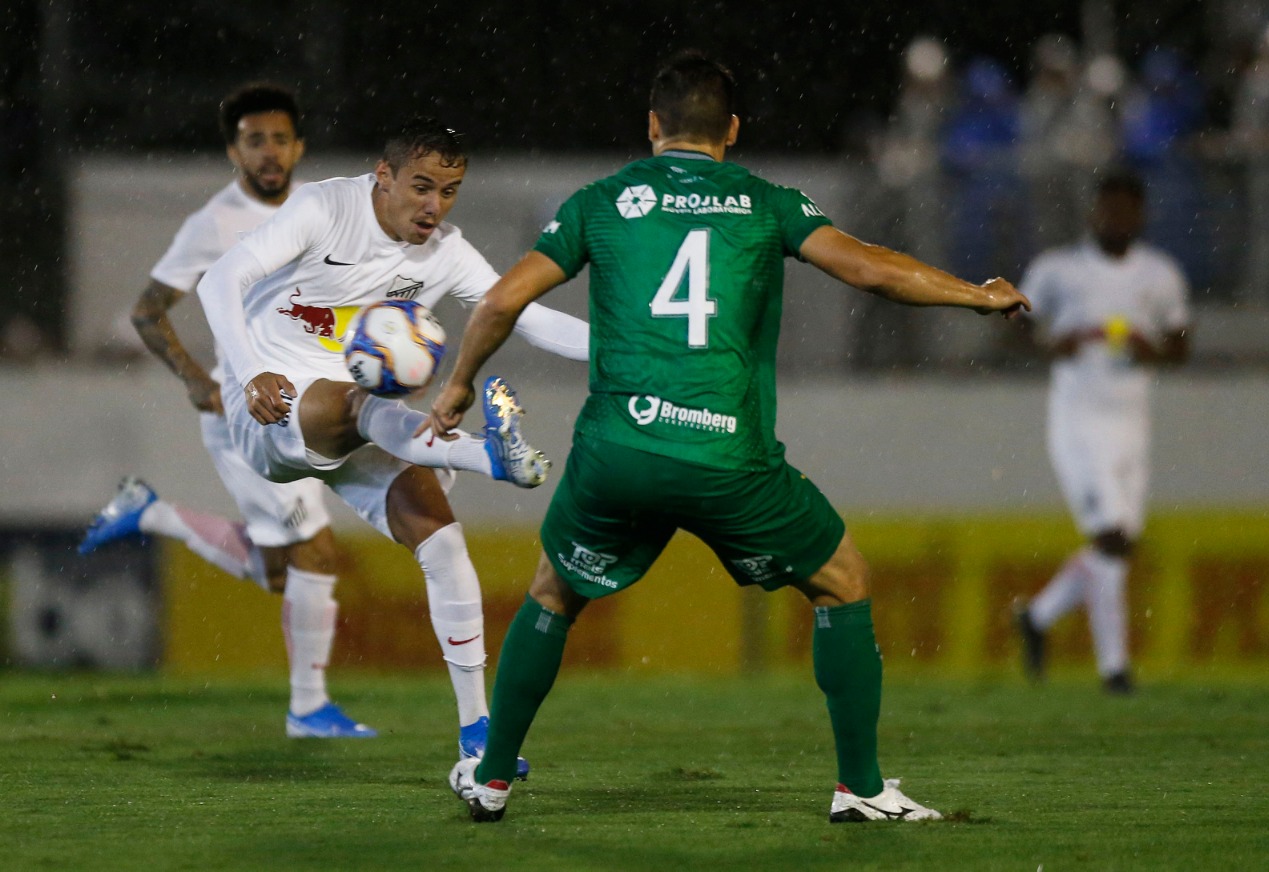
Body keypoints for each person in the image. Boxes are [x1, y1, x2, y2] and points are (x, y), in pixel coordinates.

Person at [430, 51, 1029, 824]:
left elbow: (502, 299)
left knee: (553, 590)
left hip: (620, 452)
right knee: (841, 578)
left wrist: (456, 384)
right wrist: (975, 297)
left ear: (652, 125)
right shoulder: (767, 203)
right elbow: (873, 270)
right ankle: (862, 788)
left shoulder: (603, 201)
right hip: (725, 457)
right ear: (733, 131)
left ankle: (493, 776)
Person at [192, 113, 589, 767]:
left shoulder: (448, 253)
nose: (435, 206)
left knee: (442, 538)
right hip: (267, 404)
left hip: (368, 417)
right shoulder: (324, 208)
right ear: (384, 176)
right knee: (360, 400)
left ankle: (477, 730)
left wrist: (630, 352)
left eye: (449, 191)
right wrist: (248, 366)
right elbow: (219, 280)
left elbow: (524, 314)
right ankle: (484, 453)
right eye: (422, 187)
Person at [79, 82, 377, 738]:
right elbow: (146, 310)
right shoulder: (213, 224)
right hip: (250, 419)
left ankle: (151, 510)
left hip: (300, 409)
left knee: (281, 570)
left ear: (298, 145)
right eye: (253, 141)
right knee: (317, 555)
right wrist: (193, 377)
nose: (267, 153)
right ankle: (308, 709)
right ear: (232, 151)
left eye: (278, 139)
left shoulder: (319, 208)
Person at [1015, 169, 1192, 695]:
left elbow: (1181, 346)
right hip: (1078, 421)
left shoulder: (1160, 274)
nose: (1117, 219)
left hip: (1132, 422)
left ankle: (1037, 617)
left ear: (1140, 216)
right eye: (1108, 208)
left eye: (1127, 210)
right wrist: (1051, 344)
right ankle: (1114, 671)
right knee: (1111, 540)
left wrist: (1154, 350)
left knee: (1120, 545)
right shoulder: (1058, 270)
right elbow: (1012, 326)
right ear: (1093, 212)